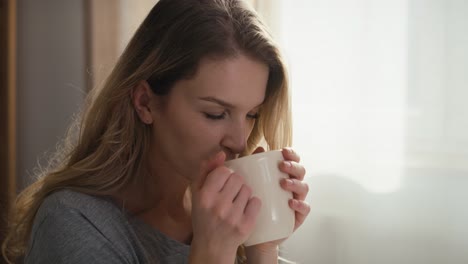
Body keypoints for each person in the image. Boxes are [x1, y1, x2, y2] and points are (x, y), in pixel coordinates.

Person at [2, 0, 310, 263]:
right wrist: (212, 253)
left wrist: (263, 247)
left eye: (252, 114)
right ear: (145, 102)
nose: (239, 140)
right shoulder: (73, 222)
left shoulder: (230, 222)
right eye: (215, 114)